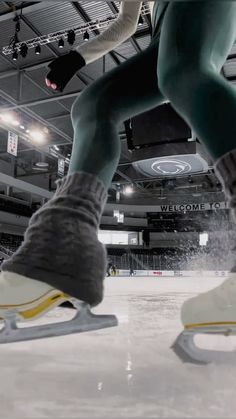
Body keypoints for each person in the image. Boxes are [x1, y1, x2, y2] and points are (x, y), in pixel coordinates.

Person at [1, 1, 236, 332]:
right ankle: (61, 252)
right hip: (164, 26)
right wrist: (78, 57)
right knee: (93, 107)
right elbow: (128, 19)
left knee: (185, 73)